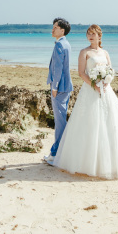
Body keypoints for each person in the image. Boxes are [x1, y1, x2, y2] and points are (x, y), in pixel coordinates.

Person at [51, 24, 118, 179]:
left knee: (111, 123)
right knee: (89, 123)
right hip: (90, 90)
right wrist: (94, 85)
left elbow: (110, 70)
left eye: (93, 34)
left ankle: (112, 163)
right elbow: (81, 73)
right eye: (88, 34)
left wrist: (106, 82)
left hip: (106, 91)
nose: (90, 36)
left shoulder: (105, 53)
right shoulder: (84, 52)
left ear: (100, 36)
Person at [44, 17, 73, 163]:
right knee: (61, 120)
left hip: (60, 87)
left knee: (60, 122)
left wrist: (54, 86)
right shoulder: (66, 43)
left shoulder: (60, 45)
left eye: (55, 27)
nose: (52, 29)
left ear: (62, 30)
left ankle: (56, 154)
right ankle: (60, 152)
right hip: (65, 87)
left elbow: (58, 68)